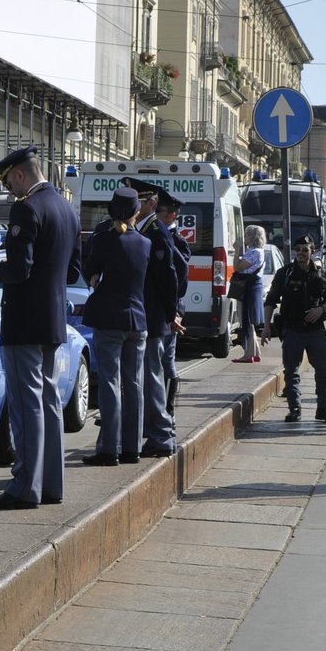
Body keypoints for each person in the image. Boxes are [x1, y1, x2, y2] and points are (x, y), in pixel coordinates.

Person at [0, 145, 80, 509]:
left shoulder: (27, 208)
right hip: (54, 322)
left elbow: (19, 270)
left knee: (25, 404)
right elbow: (72, 272)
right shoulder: (67, 209)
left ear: (20, 174)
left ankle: (25, 486)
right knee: (50, 401)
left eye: (9, 182)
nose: (9, 191)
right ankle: (51, 484)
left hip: (23, 322)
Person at [80, 187, 151, 467]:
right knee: (134, 385)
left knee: (110, 384)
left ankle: (110, 448)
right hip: (138, 320)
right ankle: (132, 448)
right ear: (136, 212)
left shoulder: (105, 240)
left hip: (109, 320)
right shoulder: (144, 243)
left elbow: (89, 268)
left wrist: (96, 274)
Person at [139, 183, 189, 457]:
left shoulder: (162, 235)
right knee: (155, 371)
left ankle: (163, 427)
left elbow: (176, 273)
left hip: (161, 315)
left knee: (158, 371)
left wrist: (172, 311)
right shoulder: (150, 230)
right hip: (157, 313)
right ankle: (158, 425)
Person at [265, 235, 326, 424]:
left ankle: (323, 408)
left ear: (312, 251)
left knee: (323, 370)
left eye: (305, 250)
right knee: (291, 371)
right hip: (292, 329)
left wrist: (321, 309)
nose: (300, 254)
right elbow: (271, 300)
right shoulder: (285, 273)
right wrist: (266, 327)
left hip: (315, 330)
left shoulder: (321, 274)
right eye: (297, 250)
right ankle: (294, 409)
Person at [231, 225, 267, 362]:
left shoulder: (254, 252)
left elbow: (237, 267)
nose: (244, 237)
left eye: (246, 235)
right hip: (252, 286)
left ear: (252, 237)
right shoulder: (256, 251)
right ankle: (255, 352)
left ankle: (248, 354)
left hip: (247, 288)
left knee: (245, 319)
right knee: (249, 320)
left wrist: (236, 251)